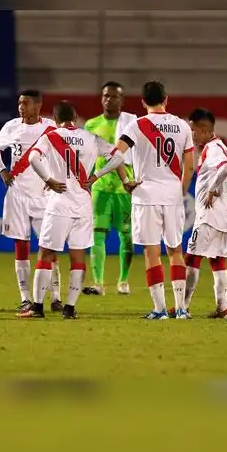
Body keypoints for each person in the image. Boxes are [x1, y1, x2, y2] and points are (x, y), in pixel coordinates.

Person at [92, 81, 195, 319]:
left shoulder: (136, 126)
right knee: (175, 250)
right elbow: (189, 166)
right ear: (166, 99)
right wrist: (180, 192)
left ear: (142, 102)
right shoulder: (182, 126)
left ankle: (159, 309)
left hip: (146, 194)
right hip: (172, 194)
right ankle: (180, 309)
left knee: (151, 251)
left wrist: (126, 181)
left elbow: (116, 155)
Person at [18, 101, 113, 319]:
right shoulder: (90, 138)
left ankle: (38, 307)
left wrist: (48, 179)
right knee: (78, 256)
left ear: (55, 117)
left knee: (46, 253)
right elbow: (118, 157)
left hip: (59, 203)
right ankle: (69, 309)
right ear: (76, 116)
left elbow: (33, 158)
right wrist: (97, 176)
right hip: (83, 205)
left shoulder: (51, 136)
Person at [0, 89, 63, 313]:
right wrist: (2, 170)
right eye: (20, 103)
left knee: (50, 247)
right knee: (21, 244)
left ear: (38, 106)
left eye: (26, 103)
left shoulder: (51, 128)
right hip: (17, 194)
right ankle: (25, 298)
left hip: (44, 196)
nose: (21, 107)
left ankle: (56, 297)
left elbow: (65, 154)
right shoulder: (11, 126)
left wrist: (54, 179)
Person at [82, 81, 136, 296]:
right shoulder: (91, 125)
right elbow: (85, 156)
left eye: (114, 96)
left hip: (125, 188)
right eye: (105, 95)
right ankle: (98, 283)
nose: (108, 99)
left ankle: (123, 281)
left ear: (121, 100)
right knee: (97, 233)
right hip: (100, 188)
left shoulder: (132, 123)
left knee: (126, 235)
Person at [180, 108, 227, 319]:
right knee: (217, 261)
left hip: (209, 216)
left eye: (192, 130)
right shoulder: (216, 146)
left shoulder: (214, 148)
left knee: (191, 258)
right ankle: (223, 308)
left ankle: (183, 306)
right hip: (221, 216)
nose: (191, 135)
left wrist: (212, 189)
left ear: (203, 129)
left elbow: (226, 167)